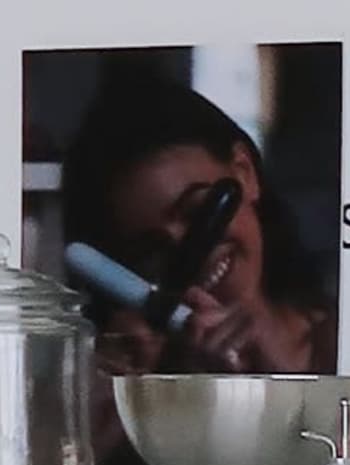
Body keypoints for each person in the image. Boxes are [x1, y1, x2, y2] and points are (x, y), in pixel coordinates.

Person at [55, 64, 334, 386]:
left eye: (196, 210)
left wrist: (286, 380)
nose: (190, 253)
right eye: (151, 248)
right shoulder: (145, 381)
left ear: (244, 172)